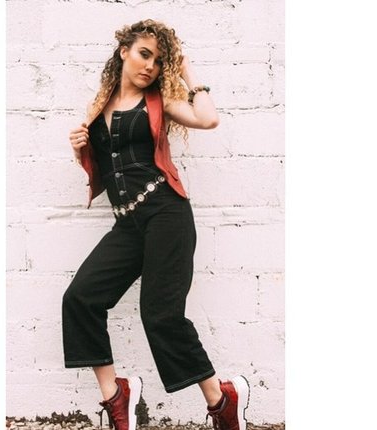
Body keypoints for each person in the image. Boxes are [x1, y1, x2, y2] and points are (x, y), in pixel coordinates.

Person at [63, 19, 250, 430]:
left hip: (166, 214)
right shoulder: (99, 106)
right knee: (80, 299)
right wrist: (81, 151)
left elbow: (208, 119)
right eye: (144, 54)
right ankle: (117, 396)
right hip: (128, 224)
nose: (150, 65)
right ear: (123, 51)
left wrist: (188, 73)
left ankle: (221, 400)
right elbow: (107, 170)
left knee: (160, 315)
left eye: (159, 60)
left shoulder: (159, 100)